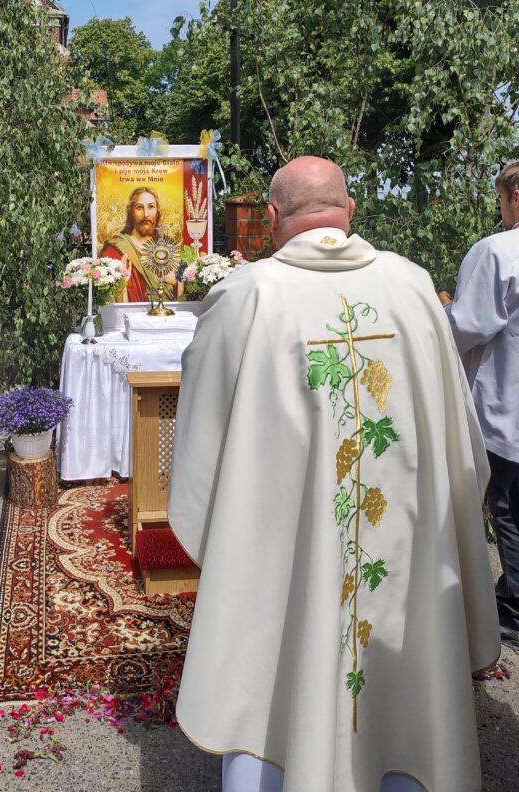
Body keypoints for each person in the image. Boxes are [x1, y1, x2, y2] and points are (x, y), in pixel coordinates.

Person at [168, 156, 499, 792]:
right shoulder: (412, 287)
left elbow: (204, 445)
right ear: (349, 210)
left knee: (278, 650)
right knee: (410, 687)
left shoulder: (247, 295)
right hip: (408, 554)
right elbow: (461, 440)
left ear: (271, 218)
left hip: (290, 558)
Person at [440, 161, 519, 648]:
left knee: (507, 507)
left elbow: (467, 326)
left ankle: (514, 608)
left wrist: (441, 309)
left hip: (507, 404)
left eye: (502, 200)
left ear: (516, 198)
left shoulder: (500, 251)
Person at [100, 186, 170, 301]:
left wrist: (178, 283)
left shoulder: (167, 250)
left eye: (151, 207)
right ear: (131, 212)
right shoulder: (114, 250)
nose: (146, 214)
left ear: (157, 212)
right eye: (139, 207)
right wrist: (121, 285)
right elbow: (104, 296)